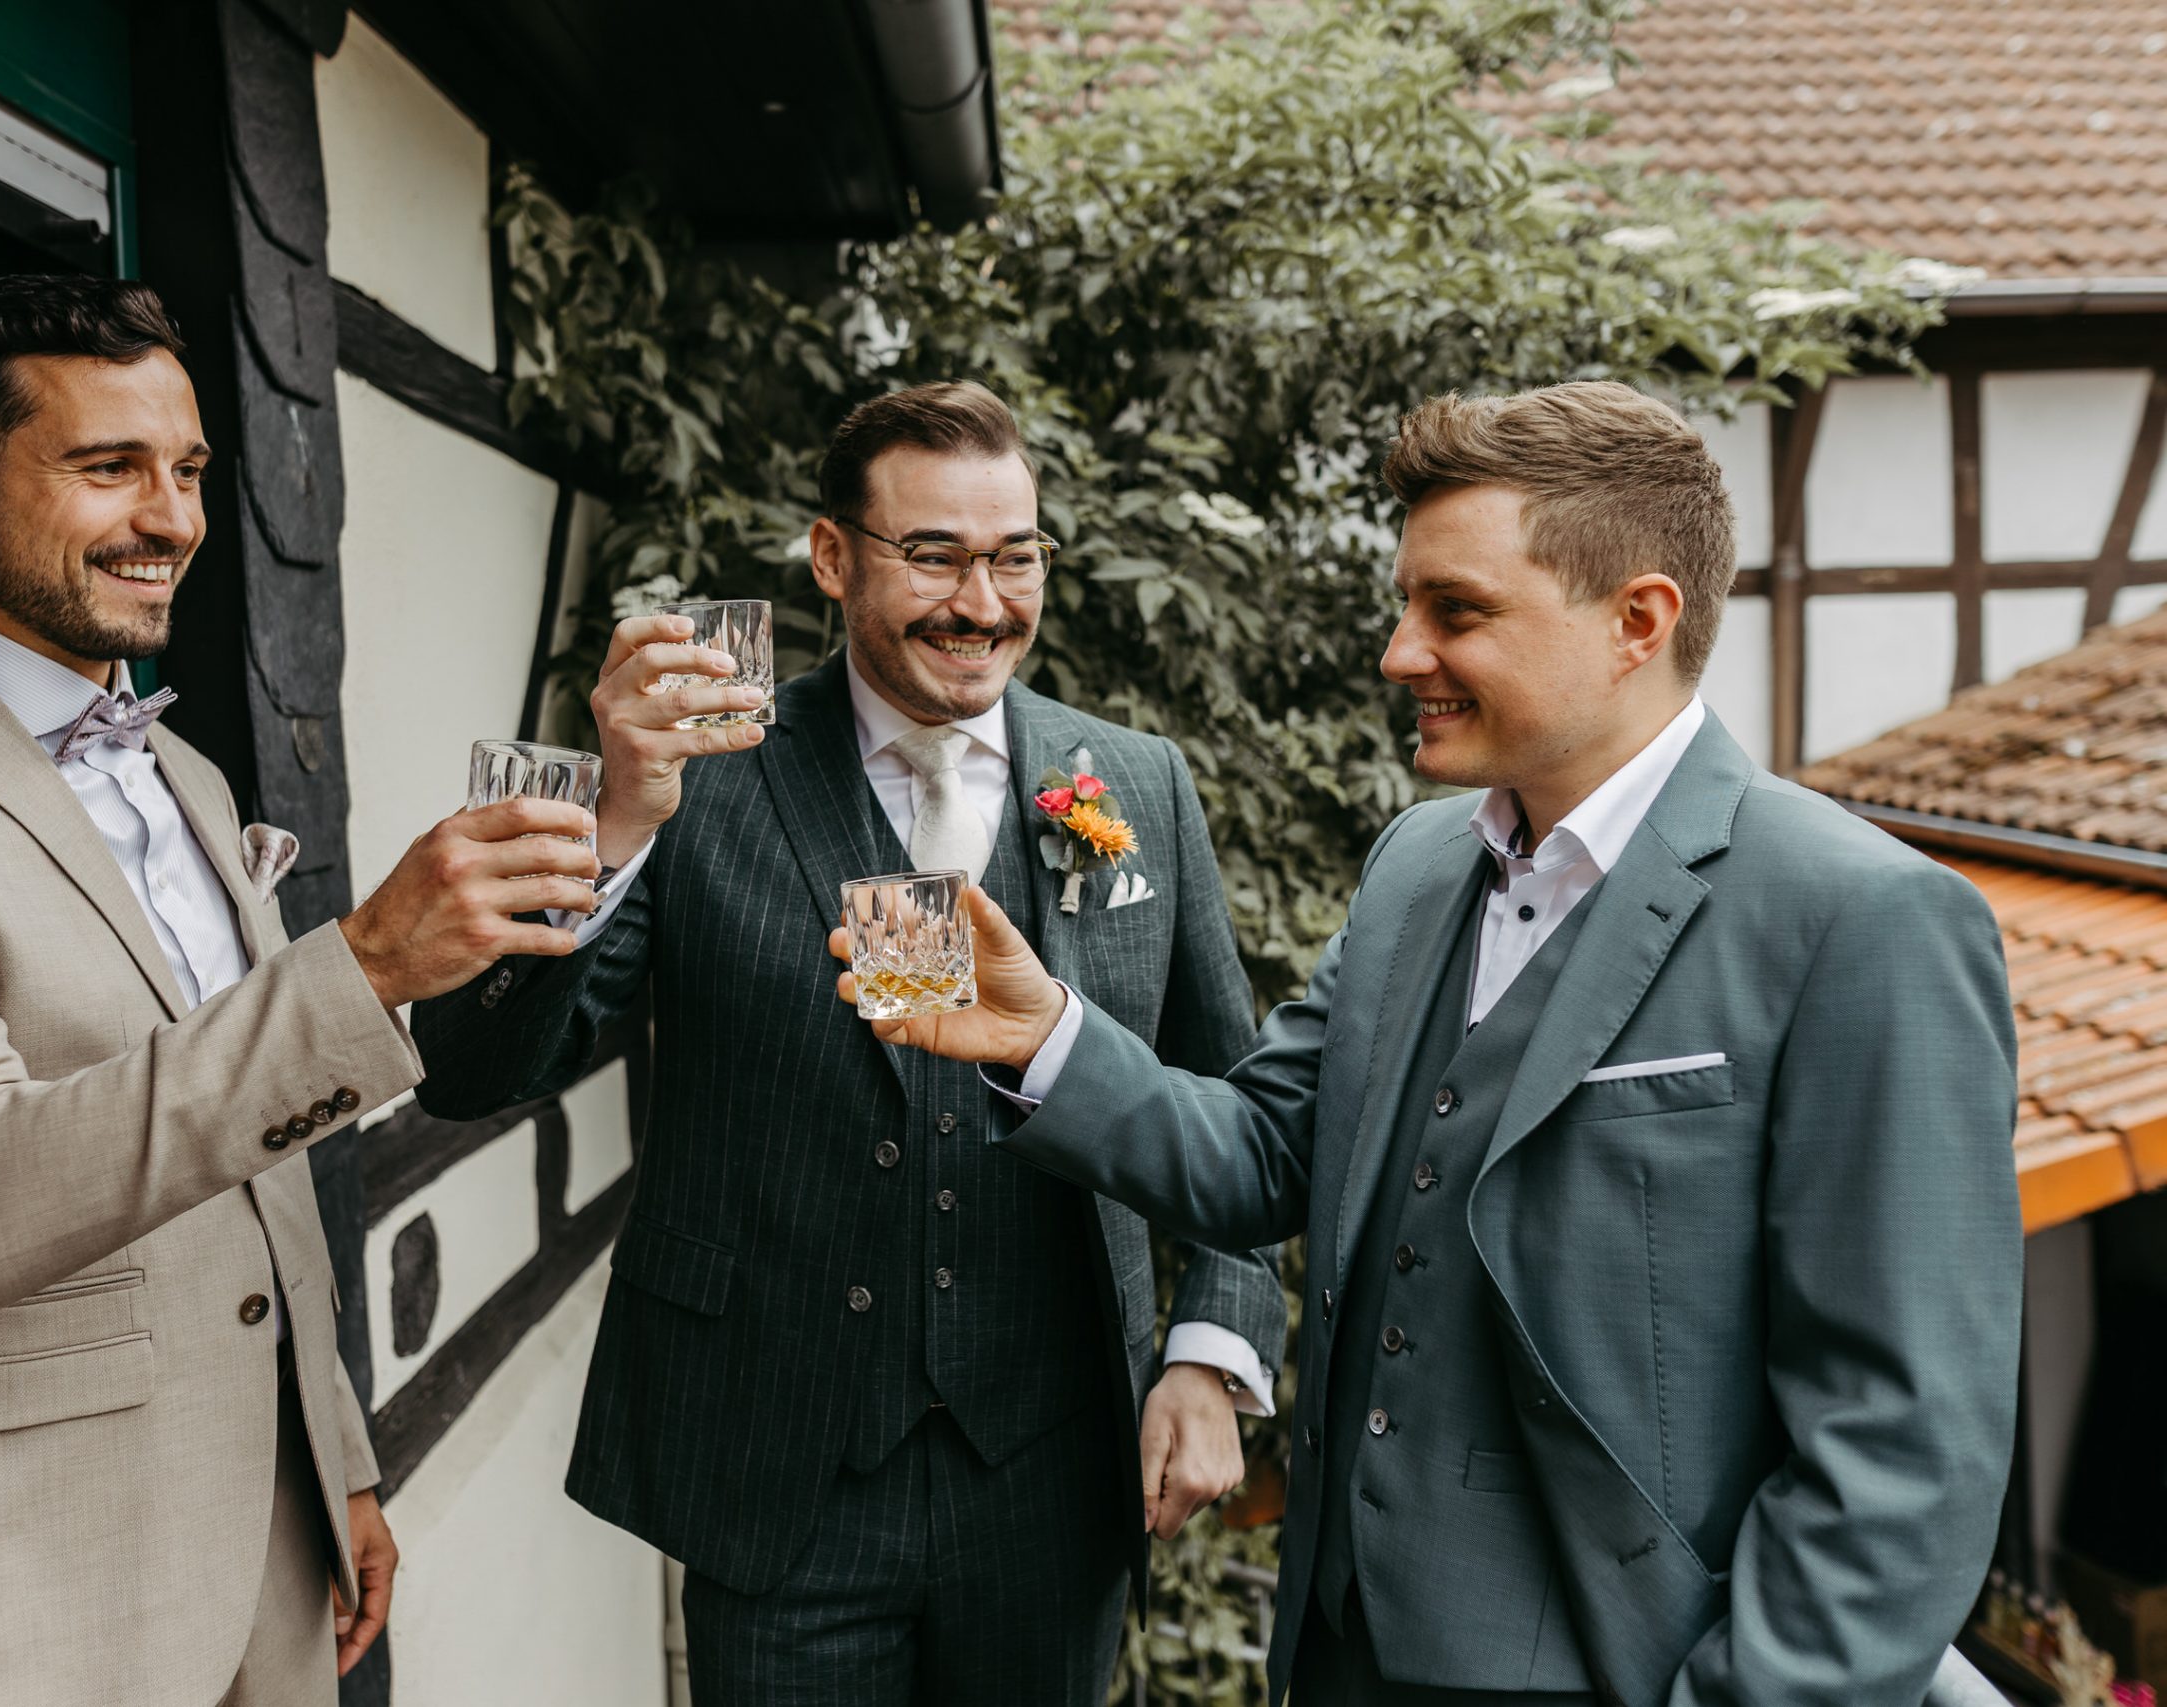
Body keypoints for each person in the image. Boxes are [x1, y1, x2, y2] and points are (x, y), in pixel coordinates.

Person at [840, 382, 2023, 1707]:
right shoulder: (1416, 864)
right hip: (1342, 1652)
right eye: (1406, 604)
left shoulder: (1862, 921)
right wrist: (1044, 1036)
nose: (1402, 654)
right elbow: (1267, 1153)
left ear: (1638, 621)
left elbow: (1902, 1455)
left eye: (1456, 611)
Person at [0, 274, 600, 1705]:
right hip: (16, 1597)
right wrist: (361, 967)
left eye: (187, 470)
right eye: (109, 467)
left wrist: (337, 1458)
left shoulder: (185, 774)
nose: (171, 518)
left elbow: (254, 1168)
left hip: (273, 1552)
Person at [409, 382, 1287, 1704]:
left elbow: (1234, 1108)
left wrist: (1215, 1352)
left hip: (1049, 1476)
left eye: (1015, 558)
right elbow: (477, 1071)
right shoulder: (698, 779)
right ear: (832, 557)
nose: (982, 604)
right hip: (781, 1470)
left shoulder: (1137, 782)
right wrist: (616, 823)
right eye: (934, 555)